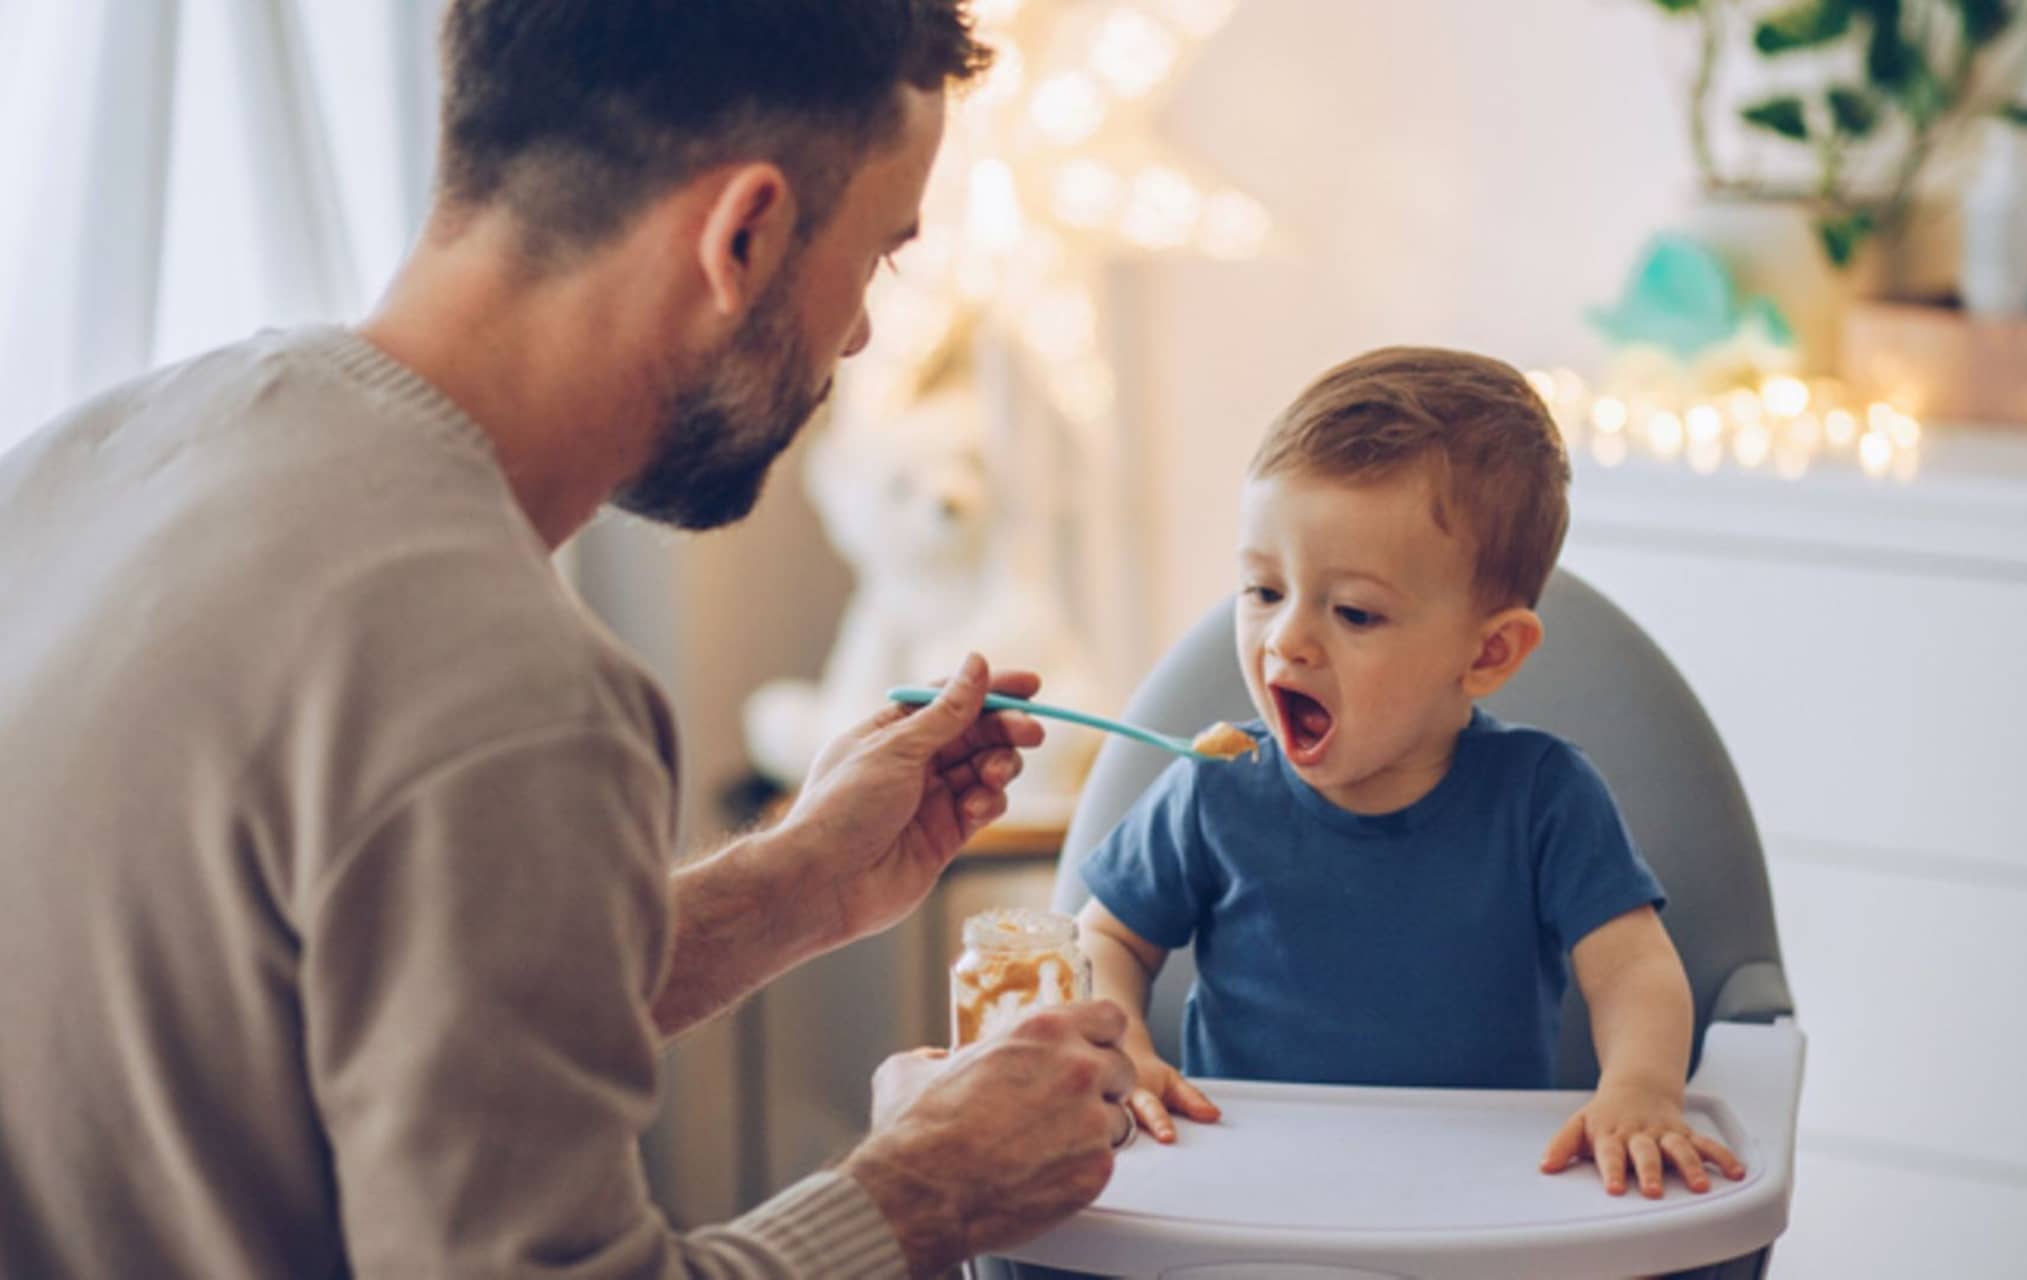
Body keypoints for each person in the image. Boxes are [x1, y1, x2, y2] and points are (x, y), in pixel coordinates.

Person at [0, 3, 1138, 1278]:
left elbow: (341, 1003)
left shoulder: (89, 460)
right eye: (876, 259)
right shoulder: (504, 686)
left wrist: (797, 885)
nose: (860, 334)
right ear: (745, 234)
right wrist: (927, 1188)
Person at [1075, 347, 1748, 1199]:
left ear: (1488, 651)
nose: (1286, 640)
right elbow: (1104, 938)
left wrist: (1641, 1093)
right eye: (1262, 590)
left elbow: (1633, 970)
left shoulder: (1543, 800)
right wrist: (1125, 1042)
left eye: (1353, 611)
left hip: (1471, 1205)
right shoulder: (1216, 789)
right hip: (1246, 1201)